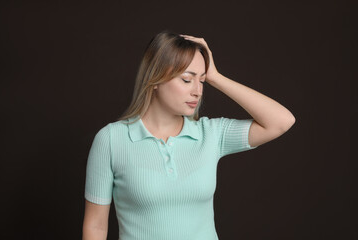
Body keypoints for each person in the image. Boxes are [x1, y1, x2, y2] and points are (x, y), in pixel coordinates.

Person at [82, 30, 295, 240]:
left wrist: (216, 78)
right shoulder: (112, 139)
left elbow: (281, 121)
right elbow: (96, 226)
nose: (198, 91)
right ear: (155, 79)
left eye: (201, 81)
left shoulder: (210, 134)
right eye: (186, 79)